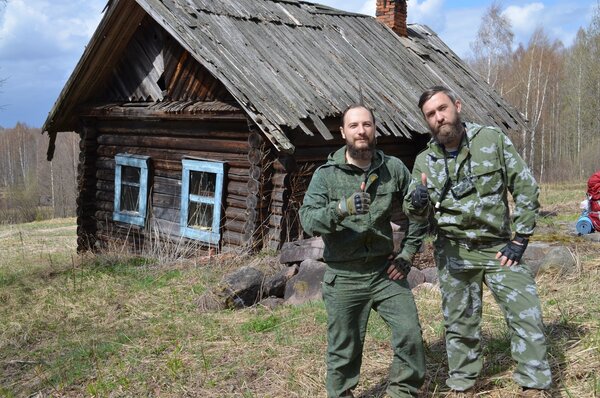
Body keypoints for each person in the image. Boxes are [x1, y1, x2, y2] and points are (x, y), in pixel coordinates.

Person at [404, 86, 552, 397]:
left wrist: (521, 237)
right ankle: (463, 384)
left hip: (499, 249)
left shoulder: (492, 139)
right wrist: (416, 202)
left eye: (442, 108)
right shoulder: (424, 161)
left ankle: (534, 384)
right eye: (430, 114)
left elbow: (525, 187)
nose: (439, 117)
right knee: (459, 322)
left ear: (457, 106)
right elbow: (415, 216)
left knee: (526, 312)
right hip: (454, 250)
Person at [299, 104, 427, 398]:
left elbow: (417, 213)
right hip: (344, 276)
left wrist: (407, 253)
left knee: (410, 334)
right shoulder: (326, 175)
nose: (361, 131)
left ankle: (402, 392)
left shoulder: (392, 168)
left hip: (385, 272)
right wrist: (341, 209)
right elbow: (308, 220)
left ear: (375, 130)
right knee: (344, 349)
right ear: (343, 132)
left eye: (367, 124)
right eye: (354, 126)